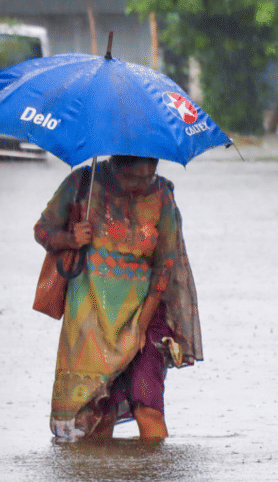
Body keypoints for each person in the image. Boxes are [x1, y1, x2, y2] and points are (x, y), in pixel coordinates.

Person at [34, 154, 202, 441]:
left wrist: (141, 327)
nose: (141, 185)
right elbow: (42, 230)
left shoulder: (161, 196)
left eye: (149, 176)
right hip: (90, 319)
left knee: (148, 407)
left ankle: (154, 464)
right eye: (133, 178)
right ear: (114, 164)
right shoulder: (83, 183)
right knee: (100, 417)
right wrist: (71, 239)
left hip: (145, 313)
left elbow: (165, 266)